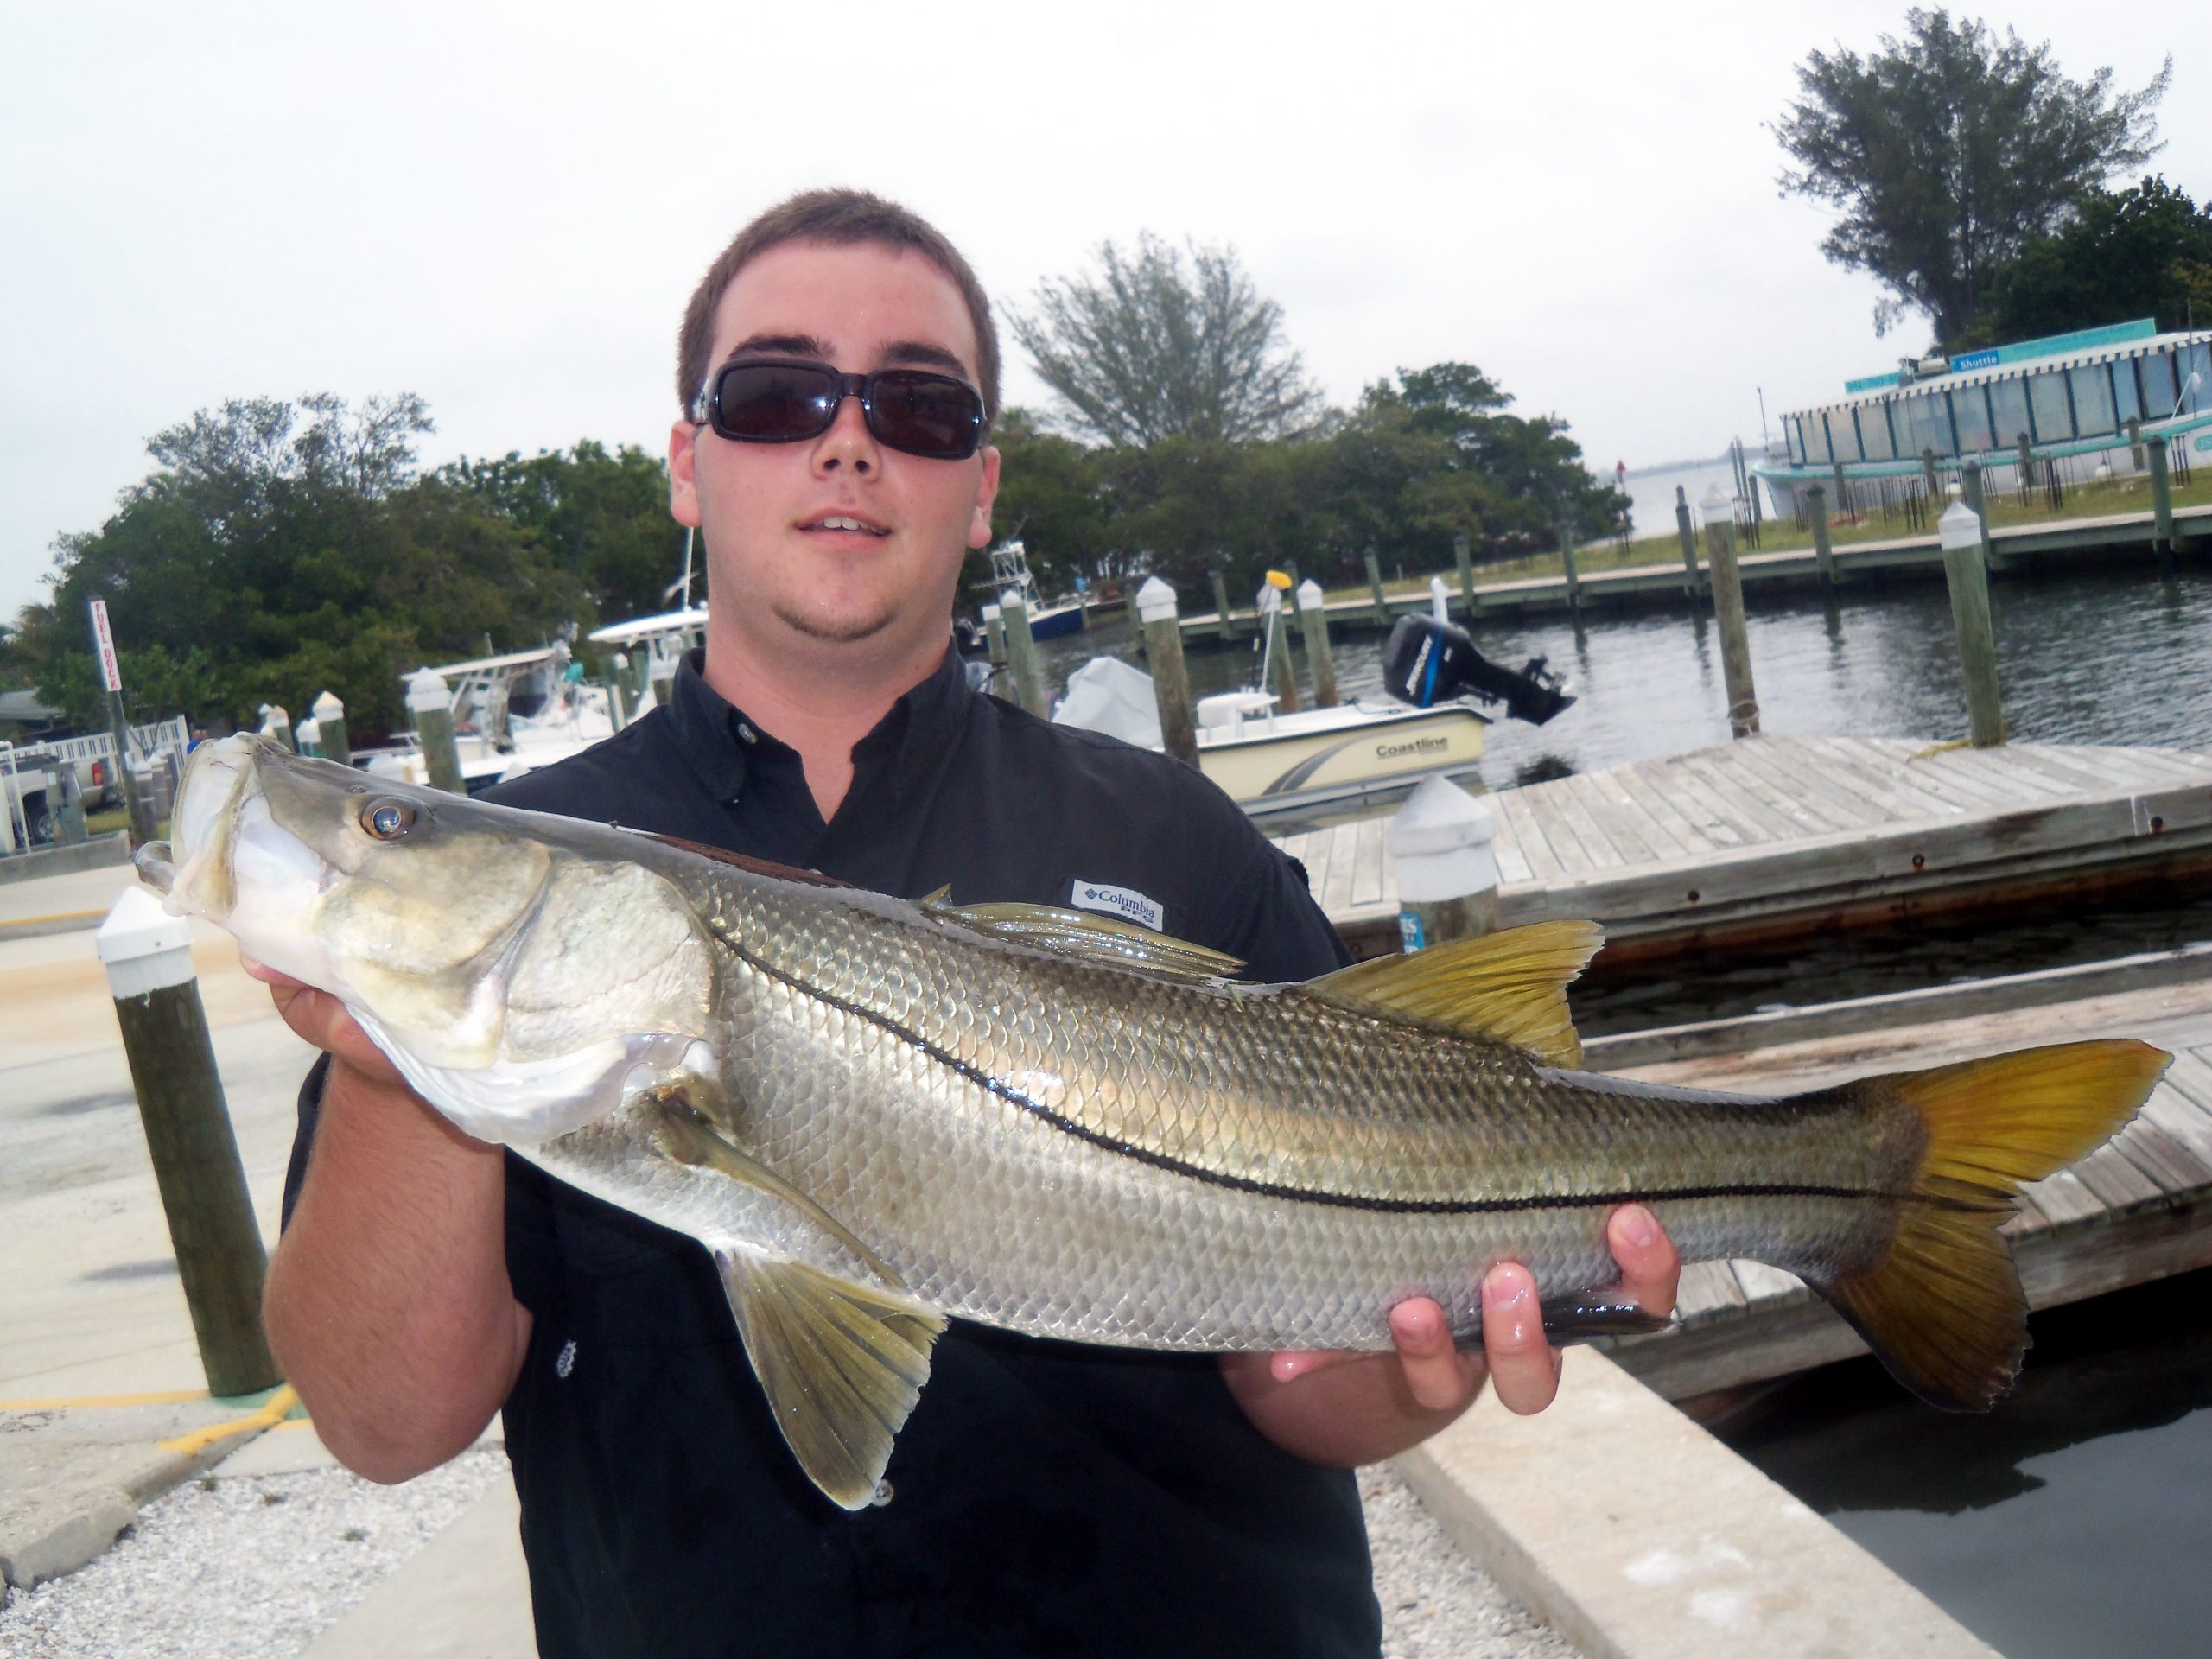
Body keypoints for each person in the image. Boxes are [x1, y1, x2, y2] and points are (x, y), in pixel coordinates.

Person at [259, 188, 1679, 1657]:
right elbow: (383, 1423)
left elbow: (1294, 1381)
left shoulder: (1177, 837)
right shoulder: (533, 880)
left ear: (982, 487)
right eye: (777, 392)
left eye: (921, 408)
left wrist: (1411, 1367)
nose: (849, 438)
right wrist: (385, 1059)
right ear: (688, 464)